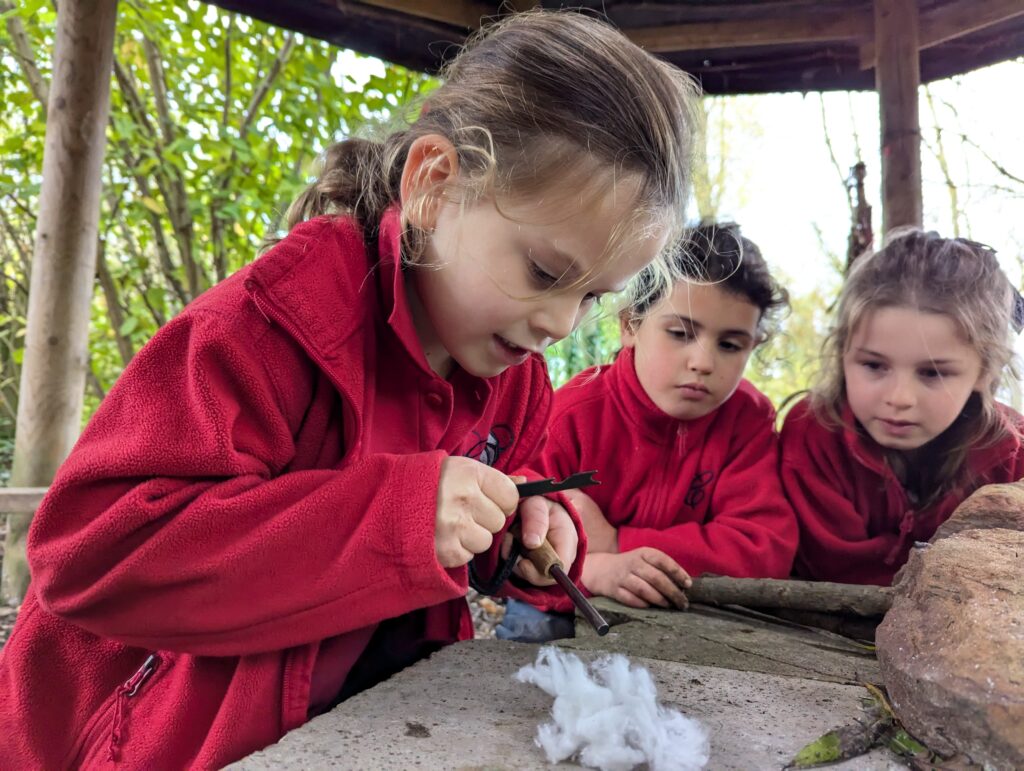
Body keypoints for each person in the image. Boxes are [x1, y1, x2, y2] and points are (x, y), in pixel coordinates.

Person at [0, 11, 700, 768]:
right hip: (127, 743)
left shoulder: (515, 382)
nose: (563, 323)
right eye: (545, 272)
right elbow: (85, 559)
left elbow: (487, 503)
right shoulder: (268, 327)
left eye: (594, 296)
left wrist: (519, 531)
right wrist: (397, 517)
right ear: (435, 184)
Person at [497, 223, 797, 641]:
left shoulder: (746, 420)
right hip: (561, 609)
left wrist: (620, 542)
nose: (703, 362)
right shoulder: (573, 414)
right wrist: (596, 569)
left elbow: (762, 549)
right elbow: (520, 538)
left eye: (730, 345)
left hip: (687, 616)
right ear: (631, 326)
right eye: (680, 333)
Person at [780, 230, 1024, 585]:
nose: (899, 397)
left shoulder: (1011, 457)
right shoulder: (816, 435)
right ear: (843, 352)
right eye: (874, 366)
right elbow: (835, 570)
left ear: (984, 372)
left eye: (932, 373)